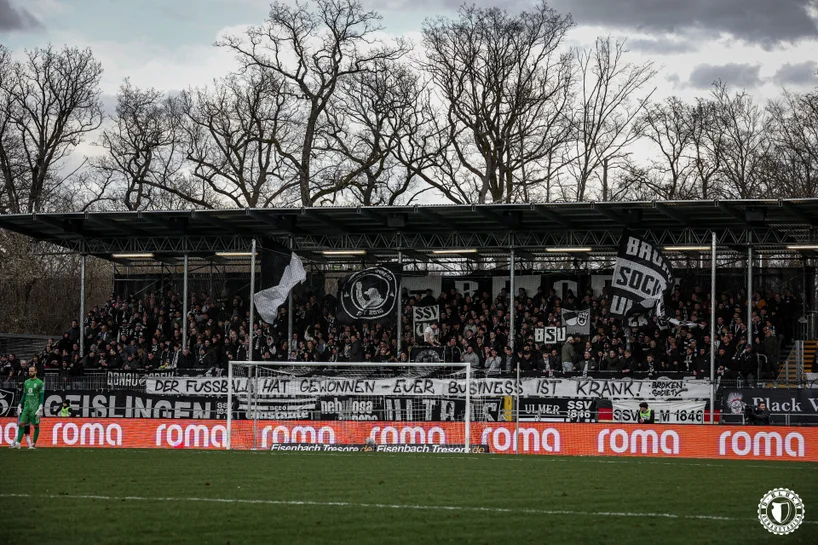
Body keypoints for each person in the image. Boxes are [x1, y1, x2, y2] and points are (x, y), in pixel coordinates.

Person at [10, 365, 45, 449]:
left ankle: (33, 444)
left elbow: (41, 395)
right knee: (21, 424)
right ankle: (18, 443)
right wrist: (20, 404)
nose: (30, 372)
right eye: (29, 371)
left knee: (36, 426)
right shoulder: (26, 382)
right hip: (26, 407)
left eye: (32, 371)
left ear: (36, 371)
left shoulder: (40, 383)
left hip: (34, 408)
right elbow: (24, 394)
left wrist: (40, 406)